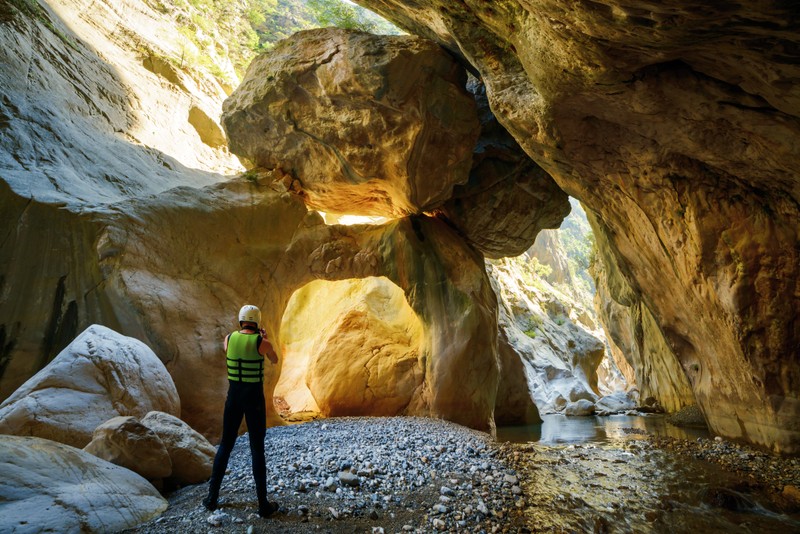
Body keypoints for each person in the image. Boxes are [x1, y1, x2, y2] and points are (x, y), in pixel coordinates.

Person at [203, 304, 279, 517]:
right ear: (257, 321)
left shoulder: (228, 339)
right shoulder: (262, 343)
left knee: (226, 445)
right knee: (257, 449)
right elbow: (274, 359)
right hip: (254, 400)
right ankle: (263, 505)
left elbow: (231, 350)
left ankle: (211, 498)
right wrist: (265, 339)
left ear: (241, 320)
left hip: (233, 399)